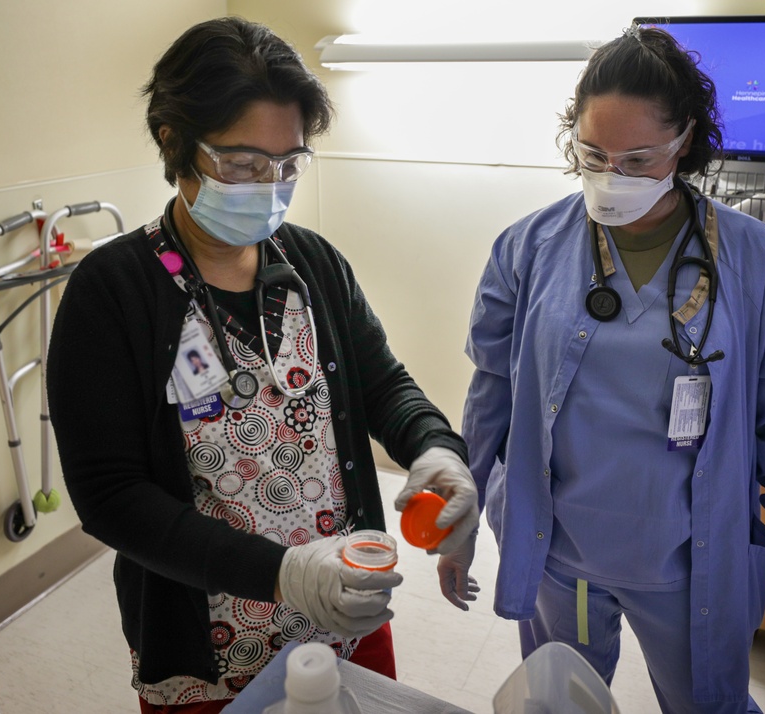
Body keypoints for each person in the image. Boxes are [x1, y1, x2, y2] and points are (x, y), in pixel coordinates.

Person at [47, 16, 478, 713]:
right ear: (174, 140)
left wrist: (436, 448)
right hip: (207, 644)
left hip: (344, 609)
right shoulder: (114, 291)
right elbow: (110, 497)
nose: (268, 187)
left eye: (288, 165)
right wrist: (280, 574)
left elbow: (382, 383)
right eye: (243, 164)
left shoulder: (311, 264)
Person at [438, 25, 765, 713]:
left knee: (708, 705)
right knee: (558, 703)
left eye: (638, 158)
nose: (612, 176)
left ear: (684, 142)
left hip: (688, 567)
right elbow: (490, 395)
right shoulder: (529, 247)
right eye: (592, 153)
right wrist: (459, 512)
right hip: (564, 560)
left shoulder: (756, 263)